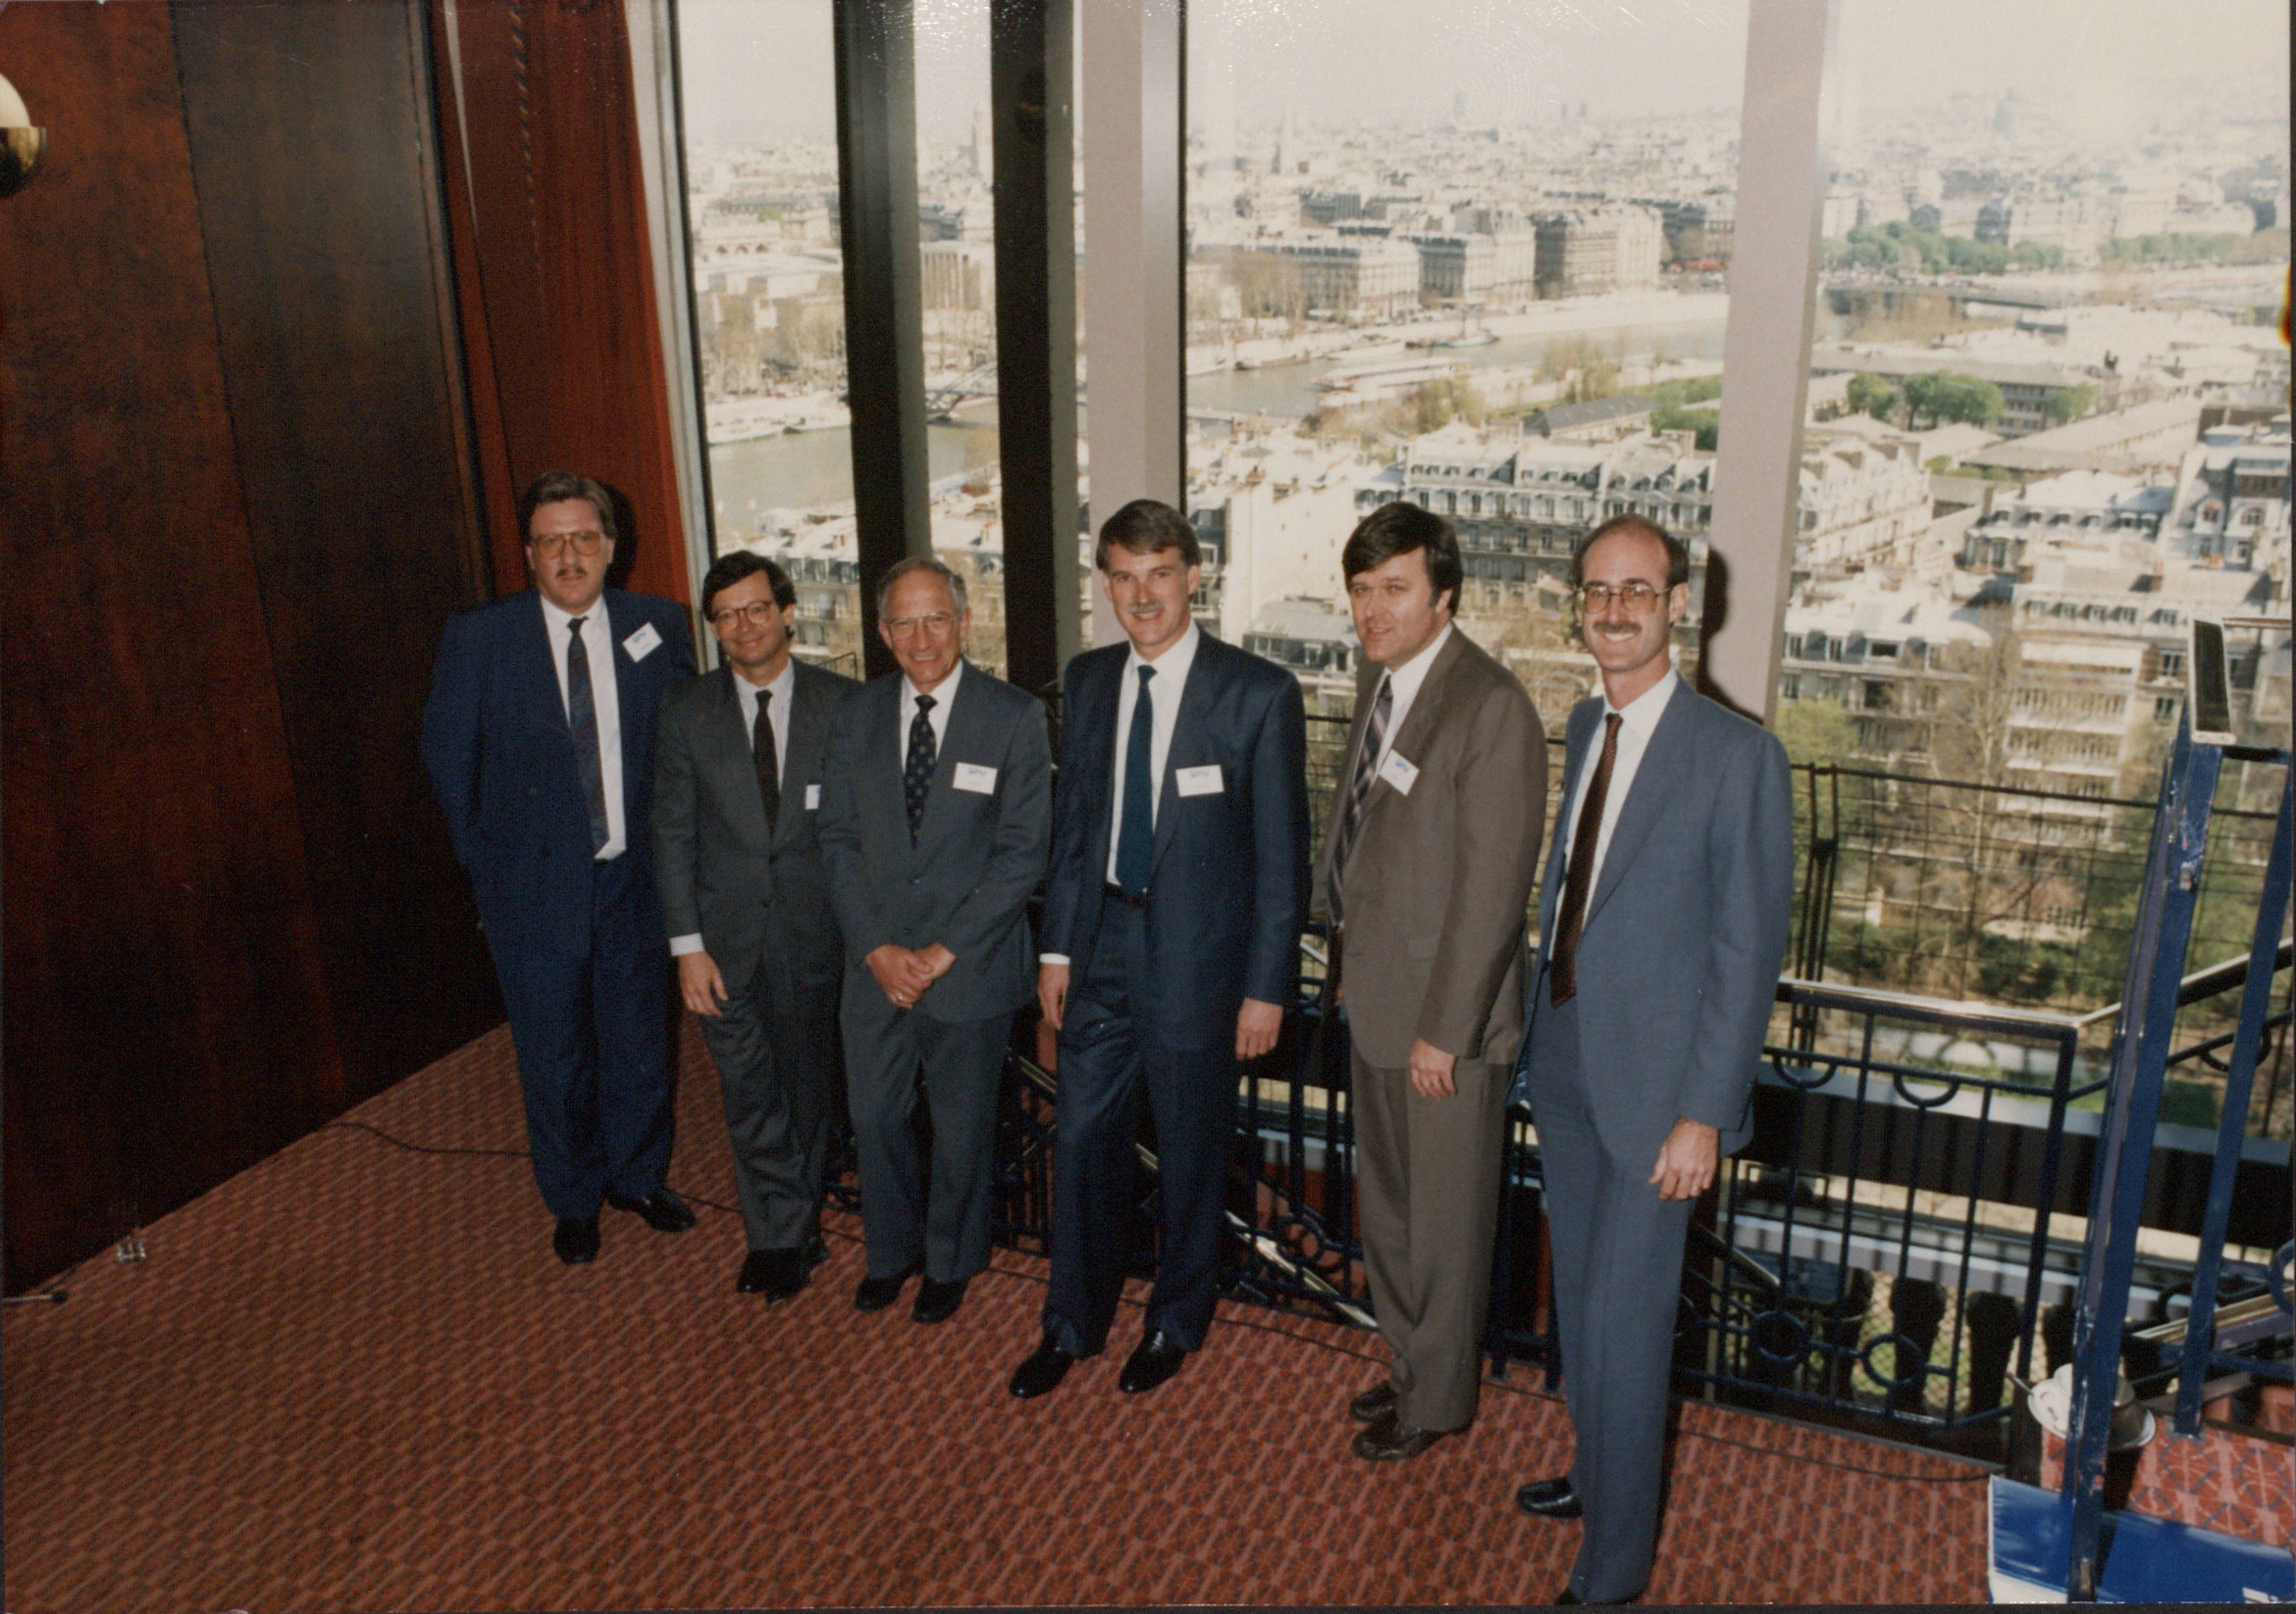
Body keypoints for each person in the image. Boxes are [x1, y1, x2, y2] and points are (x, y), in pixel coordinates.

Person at [1508, 514, 1793, 1606]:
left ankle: (1618, 1566)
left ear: (1681, 602)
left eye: (1638, 588)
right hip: (1571, 1059)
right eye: (1596, 589)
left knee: (1628, 1328)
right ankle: (1596, 1472)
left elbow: (1744, 951)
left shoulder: (1740, 756)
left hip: (1660, 1097)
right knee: (1579, 1299)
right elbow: (1571, 891)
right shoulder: (1587, 723)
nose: (1614, 608)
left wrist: (1703, 1111)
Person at [1007, 499, 1310, 1402]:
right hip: (1098, 949)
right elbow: (1075, 827)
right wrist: (1056, 950)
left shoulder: (1258, 693)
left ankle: (1175, 1321)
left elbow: (1281, 863)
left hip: (1199, 971)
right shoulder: (1091, 677)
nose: (1142, 596)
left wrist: (1266, 990)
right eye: (1123, 578)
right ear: (1107, 584)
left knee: (1188, 1152)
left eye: (1160, 575)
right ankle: (1071, 1322)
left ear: (1194, 575)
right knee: (1083, 1144)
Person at [1316, 500, 1547, 1460]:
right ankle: (1412, 1366)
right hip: (1377, 1004)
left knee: (1447, 1228)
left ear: (1444, 594)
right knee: (1396, 1216)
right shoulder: (1389, 682)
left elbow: (1491, 895)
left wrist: (1443, 1031)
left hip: (1442, 1028)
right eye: (1363, 590)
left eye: (1395, 588)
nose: (1374, 608)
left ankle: (1439, 1401)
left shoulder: (1489, 705)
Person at [421, 470, 699, 1264]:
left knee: (640, 1035)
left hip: (633, 877)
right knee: (554, 1049)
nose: (570, 555)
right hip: (532, 888)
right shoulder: (481, 637)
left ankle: (638, 1176)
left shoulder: (658, 624)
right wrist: (488, 865)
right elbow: (447, 756)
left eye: (584, 538)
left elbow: (679, 752)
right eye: (552, 542)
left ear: (612, 547)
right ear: (530, 554)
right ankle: (574, 1197)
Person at [816, 557, 1051, 1326]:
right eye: (905, 623)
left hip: (971, 967)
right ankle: (891, 1251)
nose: (923, 638)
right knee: (876, 1117)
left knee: (962, 1129)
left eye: (937, 619)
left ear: (965, 622)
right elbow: (839, 840)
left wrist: (944, 951)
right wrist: (878, 948)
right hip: (875, 964)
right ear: (884, 633)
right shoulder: (854, 716)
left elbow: (1024, 854)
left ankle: (950, 1259)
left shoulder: (1013, 716)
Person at [652, 552, 857, 1302]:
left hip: (814, 936)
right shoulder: (686, 710)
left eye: (757, 609)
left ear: (787, 611)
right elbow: (670, 833)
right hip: (722, 945)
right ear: (713, 628)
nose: (744, 626)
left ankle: (792, 1225)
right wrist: (686, 947)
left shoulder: (844, 702)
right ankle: (780, 1235)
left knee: (804, 1091)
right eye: (726, 615)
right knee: (747, 1089)